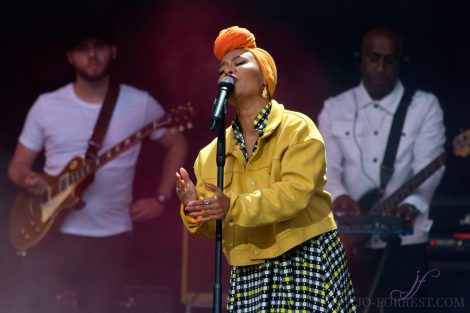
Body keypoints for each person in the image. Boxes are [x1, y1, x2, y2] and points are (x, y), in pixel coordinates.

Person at [7, 24, 188, 313]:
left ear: (113, 51)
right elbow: (17, 166)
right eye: (83, 49)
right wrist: (29, 180)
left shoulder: (139, 103)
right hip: (51, 234)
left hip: (110, 240)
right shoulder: (47, 106)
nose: (92, 55)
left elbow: (177, 144)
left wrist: (162, 198)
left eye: (99, 47)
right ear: (70, 57)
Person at [175, 26, 356, 312]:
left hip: (303, 257)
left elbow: (295, 194)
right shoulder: (210, 155)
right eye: (222, 68)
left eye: (239, 62)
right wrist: (194, 209)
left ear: (265, 77)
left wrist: (231, 206)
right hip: (248, 272)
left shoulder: (297, 128)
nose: (228, 71)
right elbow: (214, 226)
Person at [318, 26, 445, 311]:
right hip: (347, 246)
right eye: (373, 58)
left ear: (401, 62)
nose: (380, 67)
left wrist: (410, 204)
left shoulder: (425, 106)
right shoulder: (334, 108)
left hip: (406, 244)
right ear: (360, 59)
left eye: (389, 60)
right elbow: (323, 169)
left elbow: (429, 166)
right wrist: (339, 196)